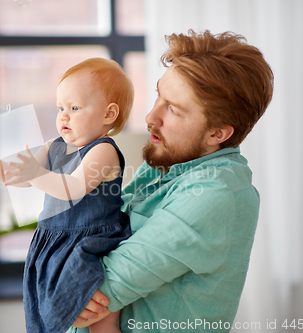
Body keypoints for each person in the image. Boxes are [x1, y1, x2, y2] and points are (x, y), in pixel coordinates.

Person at [68, 30, 274, 333]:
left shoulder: (215, 194)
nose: (151, 116)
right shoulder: (166, 164)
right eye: (158, 96)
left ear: (218, 134)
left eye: (174, 110)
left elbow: (74, 302)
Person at [0, 58, 135, 333]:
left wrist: (36, 173)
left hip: (90, 241)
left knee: (102, 320)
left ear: (108, 114)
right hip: (55, 241)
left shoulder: (103, 150)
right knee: (53, 319)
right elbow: (20, 176)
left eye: (74, 107)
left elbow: (72, 188)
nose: (63, 116)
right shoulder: (54, 147)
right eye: (60, 107)